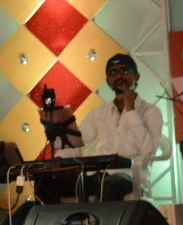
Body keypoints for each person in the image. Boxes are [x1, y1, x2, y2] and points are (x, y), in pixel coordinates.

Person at [37, 53, 166, 201]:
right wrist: (57, 161)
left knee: (111, 184)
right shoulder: (99, 112)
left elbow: (149, 150)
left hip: (130, 178)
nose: (119, 76)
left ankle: (99, 223)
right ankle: (63, 223)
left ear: (137, 76)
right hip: (97, 176)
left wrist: (131, 111)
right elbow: (79, 143)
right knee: (46, 183)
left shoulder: (151, 112)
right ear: (107, 81)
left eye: (125, 71)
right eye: (113, 72)